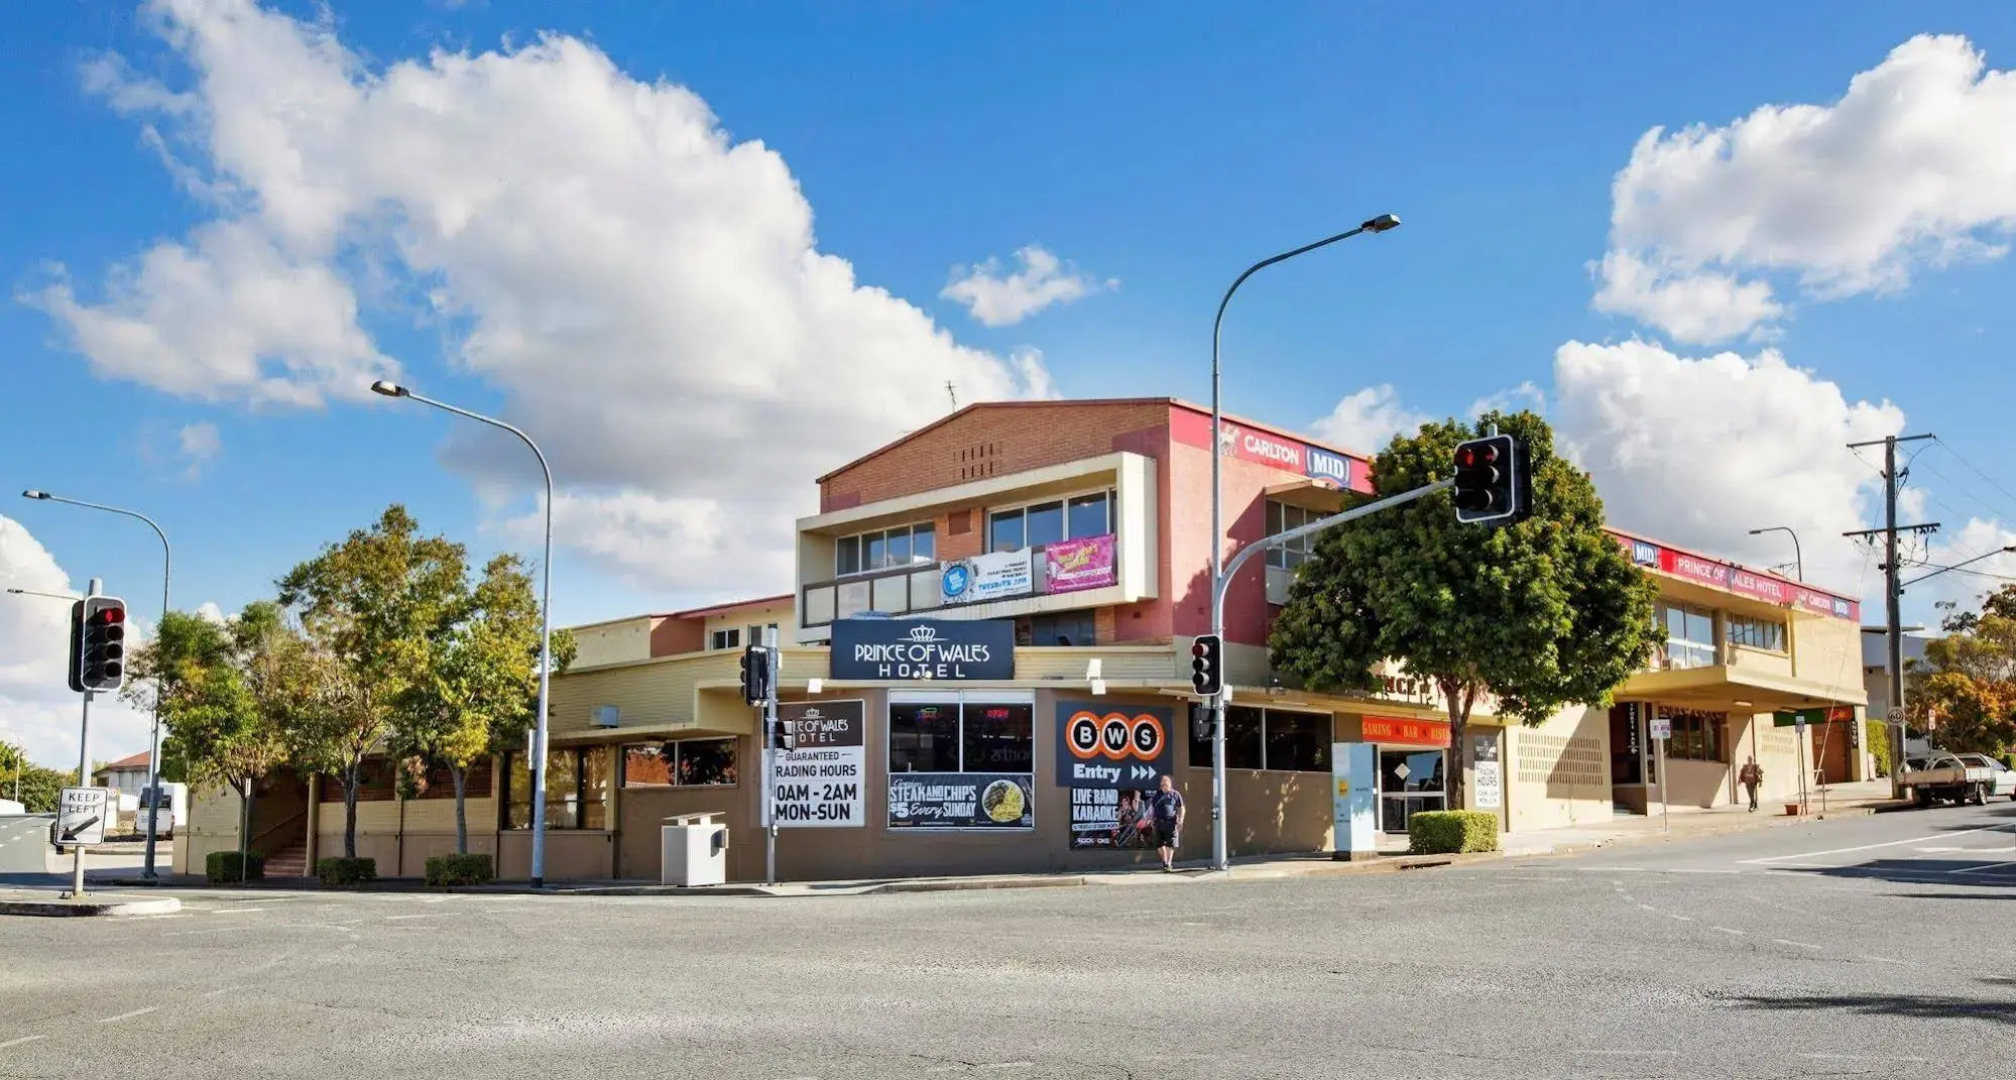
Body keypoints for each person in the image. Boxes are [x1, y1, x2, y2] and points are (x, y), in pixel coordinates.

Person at [1149, 774, 1185, 872]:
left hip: (1171, 822)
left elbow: (1181, 808)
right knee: (1159, 845)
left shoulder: (1175, 794)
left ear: (1170, 784)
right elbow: (1152, 808)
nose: (1163, 786)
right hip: (1158, 823)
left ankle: (1168, 864)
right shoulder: (1157, 795)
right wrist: (1151, 818)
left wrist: (1181, 820)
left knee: (1170, 844)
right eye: (1162, 784)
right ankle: (1164, 861)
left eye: (1165, 784)